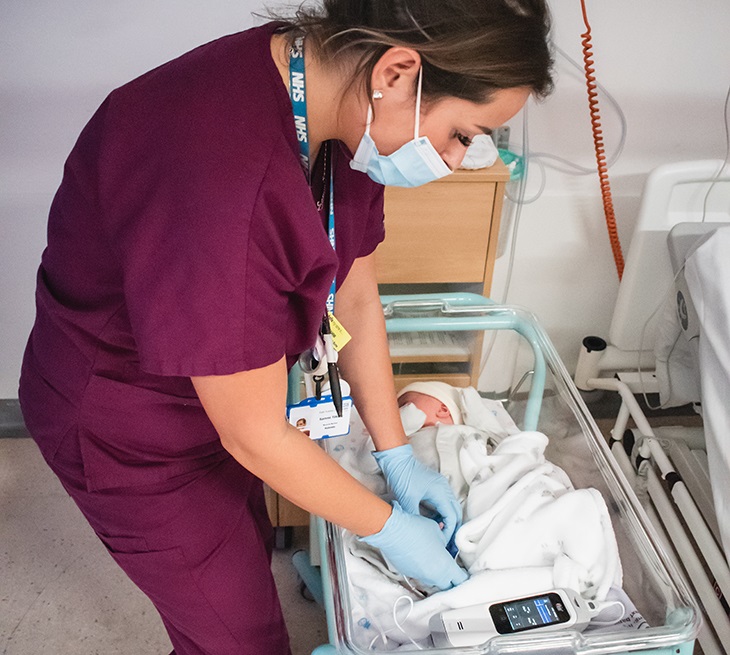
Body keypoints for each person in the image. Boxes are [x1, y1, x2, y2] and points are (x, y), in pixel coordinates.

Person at [18, 1, 553, 653]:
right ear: (399, 70)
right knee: (238, 633)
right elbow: (253, 433)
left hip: (224, 398)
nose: (457, 157)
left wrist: (395, 452)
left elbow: (354, 292)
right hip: (129, 429)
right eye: (463, 133)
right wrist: (387, 527)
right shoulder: (222, 184)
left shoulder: (331, 98)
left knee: (243, 544)